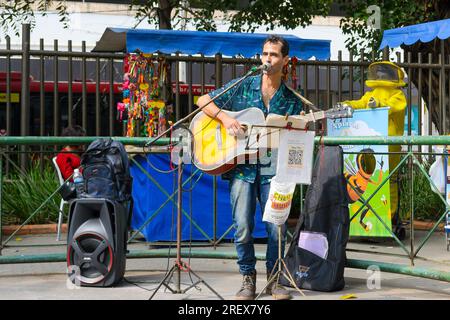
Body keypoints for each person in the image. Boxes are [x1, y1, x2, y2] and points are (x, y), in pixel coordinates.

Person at [196, 35, 303, 300]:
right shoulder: (244, 85)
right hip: (242, 168)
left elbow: (296, 143)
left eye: (274, 54)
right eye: (265, 53)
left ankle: (275, 281)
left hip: (273, 171)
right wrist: (225, 118)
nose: (268, 58)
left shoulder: (292, 100)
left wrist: (302, 130)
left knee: (276, 227)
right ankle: (247, 279)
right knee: (242, 225)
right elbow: (202, 101)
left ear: (285, 60)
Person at [342, 61, 407, 231]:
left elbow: (394, 107)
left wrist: (377, 105)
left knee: (389, 179)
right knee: (373, 181)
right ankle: (370, 220)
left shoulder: (397, 95)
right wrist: (348, 104)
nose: (382, 76)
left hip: (390, 145)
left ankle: (389, 216)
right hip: (373, 144)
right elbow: (361, 103)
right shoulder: (373, 93)